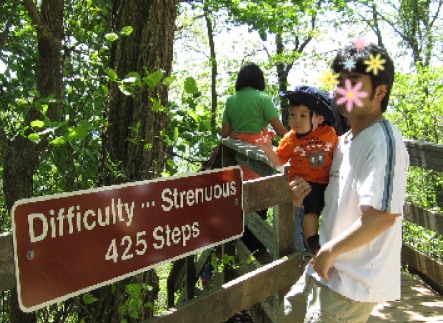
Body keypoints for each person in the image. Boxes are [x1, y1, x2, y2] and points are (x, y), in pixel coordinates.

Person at [282, 44, 409, 323]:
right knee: (287, 312)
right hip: (324, 269)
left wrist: (328, 251)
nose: (343, 89)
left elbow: (382, 216)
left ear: (380, 92)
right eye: (339, 82)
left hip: (350, 283)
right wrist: (300, 198)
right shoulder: (345, 141)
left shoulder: (383, 141)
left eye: (353, 82)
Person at [256, 85, 338, 255]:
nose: (296, 120)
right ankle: (313, 244)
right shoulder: (290, 139)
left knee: (334, 212)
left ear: (320, 119)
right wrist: (268, 150)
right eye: (293, 114)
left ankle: (333, 243)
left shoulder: (329, 133)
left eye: (303, 115)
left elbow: (340, 153)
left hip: (329, 182)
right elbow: (279, 160)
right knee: (311, 211)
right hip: (306, 185)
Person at [221, 62, 287, 260]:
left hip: (237, 158)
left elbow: (225, 133)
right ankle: (259, 250)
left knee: (242, 200)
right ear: (259, 80)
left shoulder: (231, 100)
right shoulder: (263, 98)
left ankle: (243, 248)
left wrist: (240, 135)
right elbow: (281, 130)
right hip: (259, 156)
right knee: (261, 198)